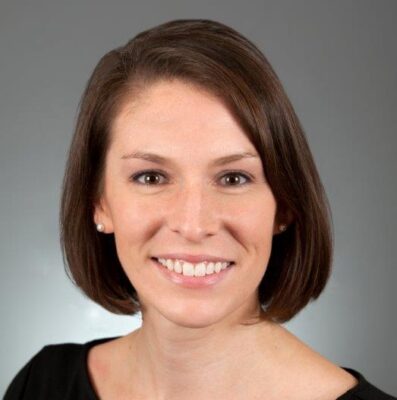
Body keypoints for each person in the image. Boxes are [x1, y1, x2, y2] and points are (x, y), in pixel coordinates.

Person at [4, 19, 395, 400]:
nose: (193, 225)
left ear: (285, 205)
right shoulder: (42, 384)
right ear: (99, 203)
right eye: (151, 177)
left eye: (233, 179)